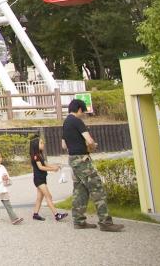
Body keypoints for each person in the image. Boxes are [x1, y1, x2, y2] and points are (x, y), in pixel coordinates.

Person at [61, 98, 124, 232]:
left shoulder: (65, 123)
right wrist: (93, 146)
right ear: (79, 109)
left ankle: (79, 221)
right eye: (83, 111)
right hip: (83, 160)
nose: (83, 114)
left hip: (72, 159)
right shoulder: (77, 121)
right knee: (97, 189)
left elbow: (63, 145)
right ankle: (105, 222)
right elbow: (89, 140)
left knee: (80, 190)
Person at [29, 136, 67, 221]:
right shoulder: (36, 156)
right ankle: (57, 215)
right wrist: (53, 169)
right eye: (41, 143)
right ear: (36, 145)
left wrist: (56, 166)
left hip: (42, 179)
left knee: (40, 197)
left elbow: (46, 164)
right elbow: (41, 167)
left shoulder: (40, 154)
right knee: (48, 196)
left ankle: (35, 214)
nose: (43, 144)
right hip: (39, 179)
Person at [0, 149, 22, 225]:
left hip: (3, 189)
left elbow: (6, 174)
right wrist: (1, 178)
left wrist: (7, 178)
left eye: (1, 157)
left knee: (8, 205)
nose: (0, 158)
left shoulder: (2, 167)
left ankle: (14, 219)